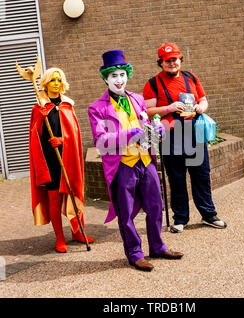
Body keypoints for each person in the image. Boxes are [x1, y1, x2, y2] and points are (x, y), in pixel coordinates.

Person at [88, 50, 183, 271]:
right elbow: (102, 141)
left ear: (127, 75)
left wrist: (157, 130)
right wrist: (132, 133)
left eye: (122, 74)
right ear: (105, 78)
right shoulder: (97, 108)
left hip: (145, 160)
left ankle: (158, 247)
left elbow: (147, 126)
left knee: (155, 205)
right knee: (127, 212)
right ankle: (134, 253)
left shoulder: (138, 99)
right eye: (113, 76)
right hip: (122, 166)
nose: (119, 80)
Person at [143, 42, 227, 233]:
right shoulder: (153, 83)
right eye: (167, 61)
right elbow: (147, 112)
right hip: (170, 136)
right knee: (177, 178)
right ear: (161, 63)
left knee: (202, 175)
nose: (172, 63)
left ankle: (208, 215)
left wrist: (201, 107)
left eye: (175, 59)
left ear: (180, 60)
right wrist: (168, 108)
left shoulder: (191, 77)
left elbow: (203, 99)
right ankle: (180, 218)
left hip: (194, 133)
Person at [29, 67, 94, 253]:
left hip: (68, 158)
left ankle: (78, 231)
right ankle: (59, 238)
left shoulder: (68, 105)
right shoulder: (39, 107)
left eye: (59, 80)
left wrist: (63, 140)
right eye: (52, 80)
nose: (56, 84)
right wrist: (40, 120)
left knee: (74, 193)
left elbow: (74, 134)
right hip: (50, 161)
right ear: (46, 84)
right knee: (54, 198)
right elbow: (35, 137)